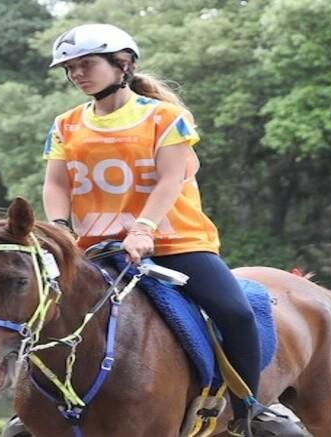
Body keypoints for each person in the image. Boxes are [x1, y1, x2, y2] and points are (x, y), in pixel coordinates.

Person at [41, 23, 302, 437]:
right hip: (96, 249)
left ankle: (250, 410)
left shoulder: (166, 118)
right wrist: (59, 231)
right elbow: (57, 184)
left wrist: (143, 229)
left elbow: (170, 179)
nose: (77, 74)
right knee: (42, 313)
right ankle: (35, 410)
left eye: (86, 64)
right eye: (70, 68)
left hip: (175, 242)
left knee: (235, 313)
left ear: (122, 64)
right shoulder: (66, 124)